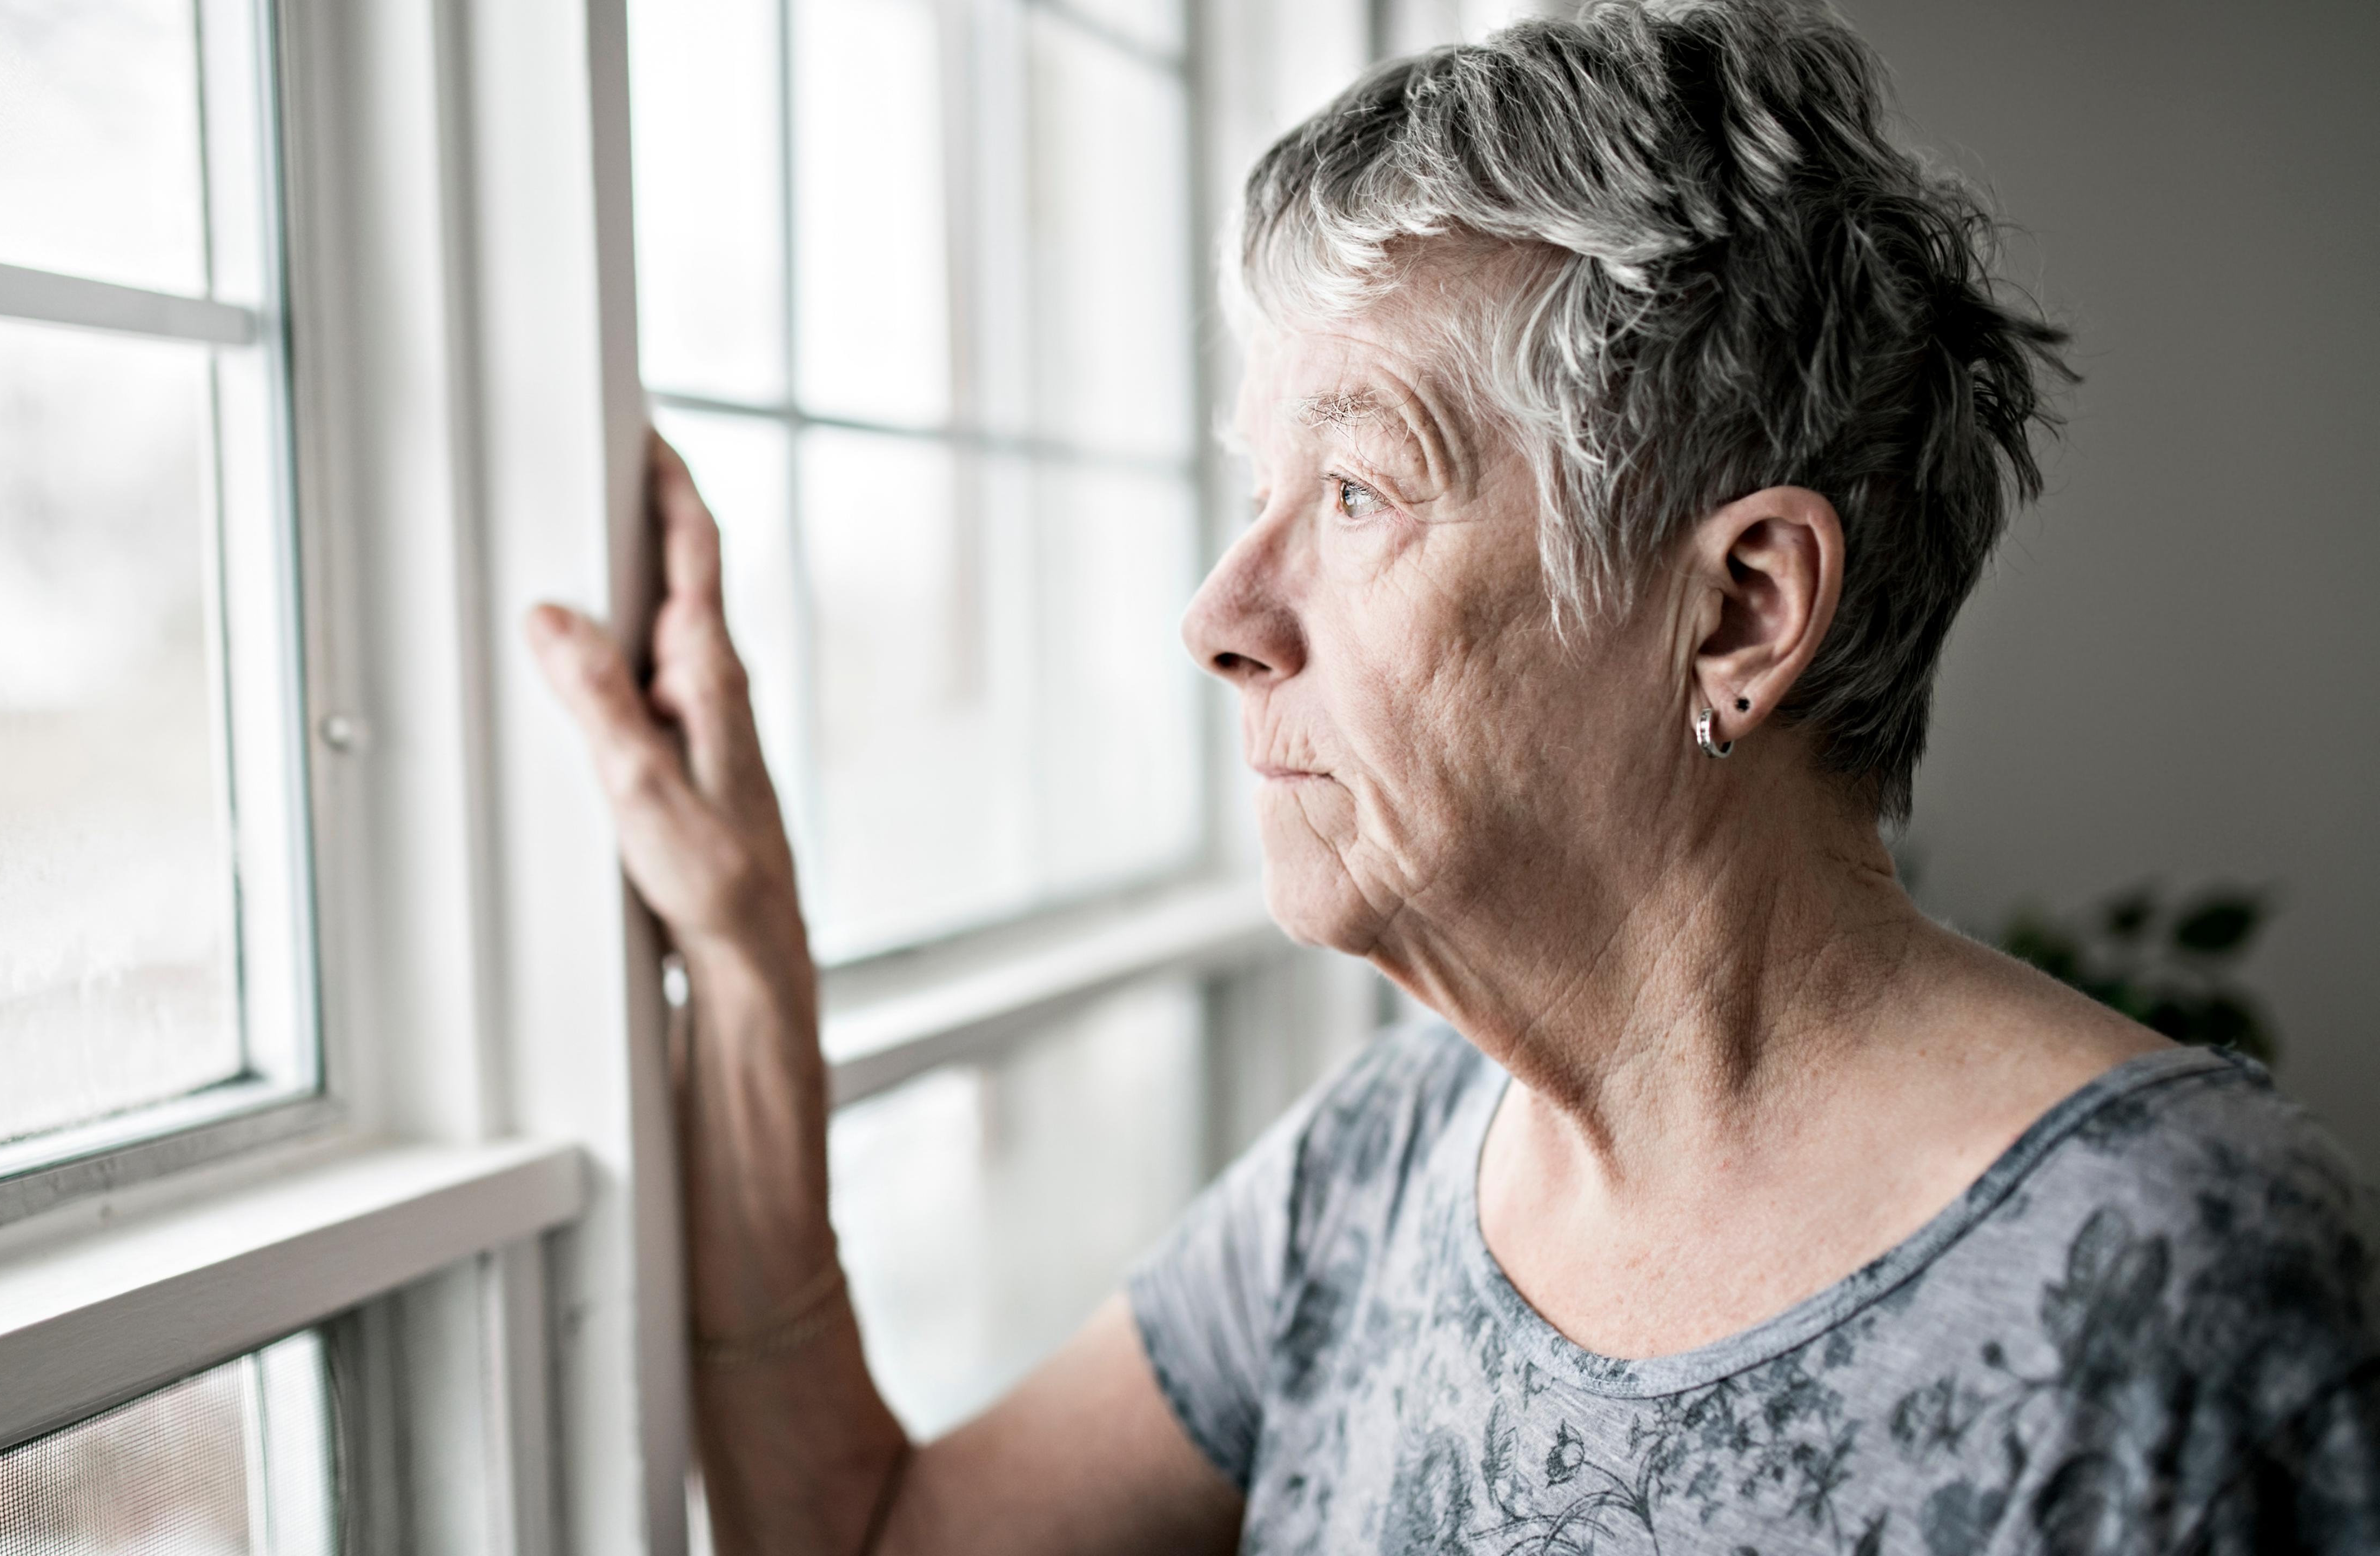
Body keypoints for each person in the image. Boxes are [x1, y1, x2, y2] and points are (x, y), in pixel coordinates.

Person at [523, 1, 2379, 1550]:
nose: (1221, 615)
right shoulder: (1388, 1158)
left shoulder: (2175, 1284)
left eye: (1355, 490)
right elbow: (874, 1545)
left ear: (1739, 610)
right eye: (1257, 494)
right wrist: (750, 968)